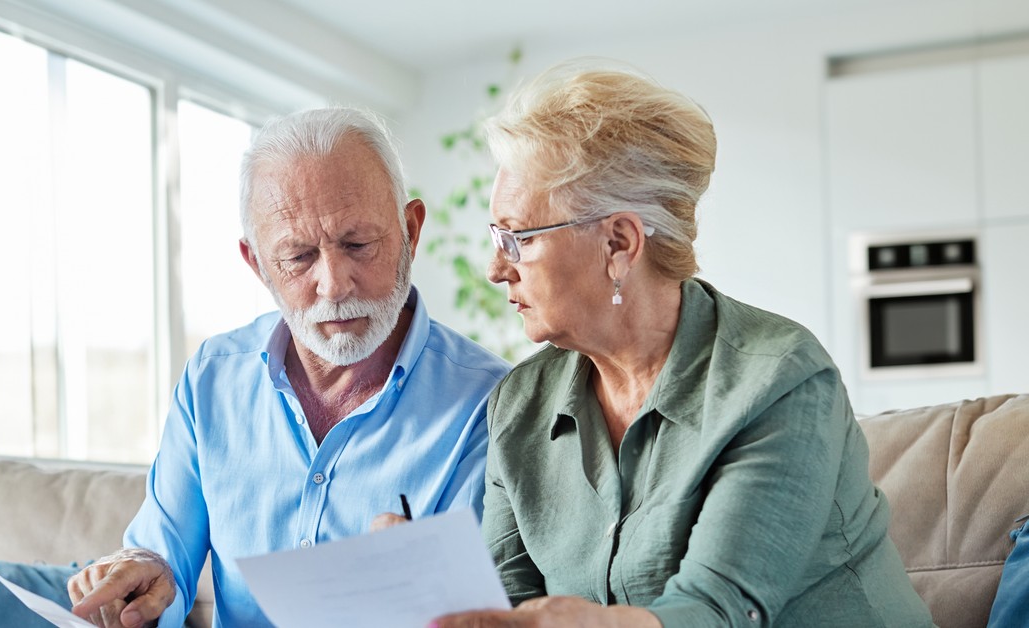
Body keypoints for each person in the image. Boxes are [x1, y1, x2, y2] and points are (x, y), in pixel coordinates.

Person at [434, 59, 933, 627]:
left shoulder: (780, 379)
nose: (495, 268)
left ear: (619, 243)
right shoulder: (519, 404)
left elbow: (718, 609)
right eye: (496, 236)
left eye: (517, 237)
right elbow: (507, 601)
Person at [67, 107, 509, 627]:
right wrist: (142, 578)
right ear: (256, 263)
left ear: (410, 231)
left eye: (358, 244)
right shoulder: (211, 380)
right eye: (298, 257)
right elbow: (160, 559)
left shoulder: (491, 401)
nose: (335, 284)